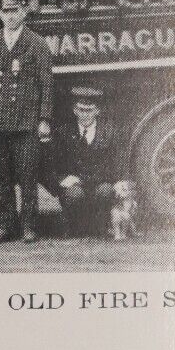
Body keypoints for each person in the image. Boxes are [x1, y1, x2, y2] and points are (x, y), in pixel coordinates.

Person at [0, 0, 54, 244]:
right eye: (5, 12)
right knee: (2, 178)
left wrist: (44, 118)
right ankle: (6, 226)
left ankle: (29, 226)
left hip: (25, 121)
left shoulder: (37, 43)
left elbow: (46, 84)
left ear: (24, 12)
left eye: (15, 11)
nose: (10, 16)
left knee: (27, 176)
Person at [53, 84, 117, 237]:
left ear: (97, 111)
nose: (85, 115)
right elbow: (53, 164)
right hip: (76, 185)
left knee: (106, 191)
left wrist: (106, 180)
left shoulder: (109, 132)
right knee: (74, 194)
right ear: (75, 110)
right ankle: (74, 227)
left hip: (99, 182)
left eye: (89, 110)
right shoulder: (64, 132)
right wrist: (62, 179)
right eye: (81, 110)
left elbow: (114, 164)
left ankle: (102, 226)